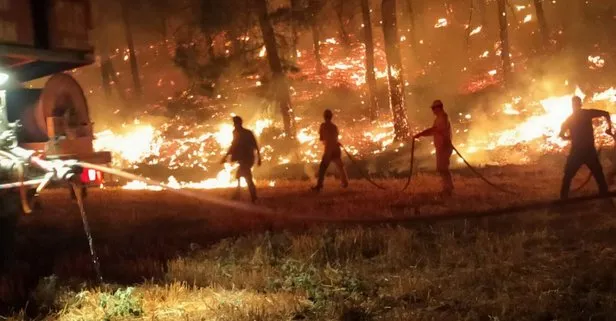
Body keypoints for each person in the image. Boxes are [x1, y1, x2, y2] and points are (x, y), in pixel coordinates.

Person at [559, 96, 612, 199]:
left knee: (568, 175)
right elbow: (606, 113)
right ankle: (604, 194)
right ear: (580, 104)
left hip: (577, 152)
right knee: (598, 173)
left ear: (572, 105)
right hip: (587, 151)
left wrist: (570, 137)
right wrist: (609, 128)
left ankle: (563, 197)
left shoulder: (569, 120)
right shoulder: (586, 114)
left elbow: (561, 135)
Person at [413, 100, 454, 196]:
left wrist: (420, 134)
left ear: (439, 107)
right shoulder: (439, 118)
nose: (432, 111)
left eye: (433, 108)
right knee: (441, 168)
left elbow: (434, 130)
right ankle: (447, 187)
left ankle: (448, 189)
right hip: (441, 146)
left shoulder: (443, 118)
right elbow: (434, 131)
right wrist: (421, 135)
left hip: (444, 146)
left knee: (442, 168)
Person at [221, 116, 261, 203]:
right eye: (234, 123)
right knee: (240, 175)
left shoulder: (247, 133)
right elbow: (234, 145)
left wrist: (259, 158)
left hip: (248, 158)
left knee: (246, 177)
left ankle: (251, 196)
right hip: (242, 158)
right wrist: (227, 156)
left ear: (239, 123)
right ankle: (241, 194)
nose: (234, 125)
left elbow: (255, 145)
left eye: (235, 123)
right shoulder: (236, 132)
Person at [312, 109, 349, 192]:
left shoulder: (323, 126)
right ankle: (345, 183)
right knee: (340, 167)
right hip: (336, 149)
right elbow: (336, 137)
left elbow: (321, 138)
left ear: (324, 117)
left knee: (322, 168)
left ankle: (319, 185)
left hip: (329, 150)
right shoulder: (334, 126)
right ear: (331, 117)